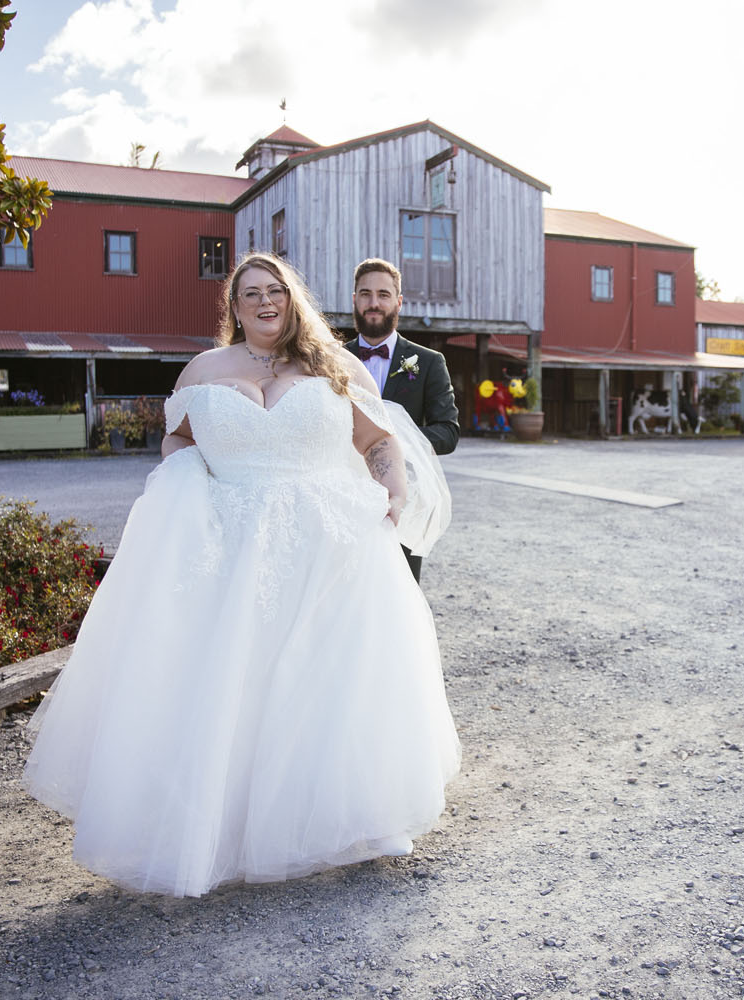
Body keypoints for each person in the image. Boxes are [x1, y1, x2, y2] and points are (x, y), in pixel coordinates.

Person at [23, 252, 460, 897]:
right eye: (249, 293)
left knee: (324, 674)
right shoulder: (204, 369)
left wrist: (392, 492)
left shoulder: (331, 368)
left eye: (274, 291)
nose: (263, 302)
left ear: (293, 299)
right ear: (234, 306)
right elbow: (177, 442)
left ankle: (357, 814)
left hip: (324, 540)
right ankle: (219, 828)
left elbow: (378, 442)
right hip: (229, 542)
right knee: (232, 678)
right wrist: (183, 482)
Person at [347, 258, 459, 582]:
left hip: (404, 500)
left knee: (400, 592)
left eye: (383, 295)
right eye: (365, 294)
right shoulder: (329, 360)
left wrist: (395, 443)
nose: (373, 303)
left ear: (398, 302)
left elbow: (448, 432)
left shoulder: (428, 362)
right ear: (354, 300)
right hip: (343, 493)